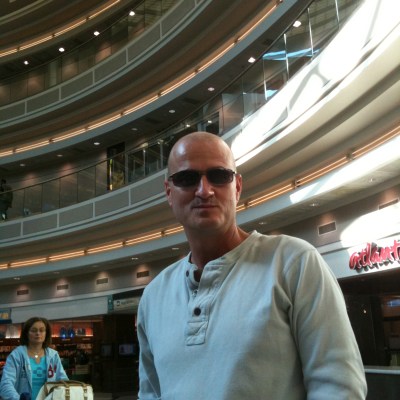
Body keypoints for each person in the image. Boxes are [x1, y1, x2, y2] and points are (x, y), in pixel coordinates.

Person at [137, 131, 367, 399]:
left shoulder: (294, 263)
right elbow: (150, 394)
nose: (204, 191)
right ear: (169, 192)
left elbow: (339, 388)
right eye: (187, 179)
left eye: (219, 176)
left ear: (237, 187)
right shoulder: (153, 297)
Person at [0, 317, 68, 400]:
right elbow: (6, 384)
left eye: (42, 330)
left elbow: (64, 381)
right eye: (33, 330)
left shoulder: (53, 355)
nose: (38, 333)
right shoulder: (16, 355)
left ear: (46, 333)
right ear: (26, 333)